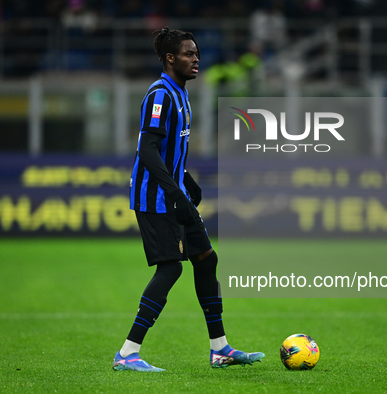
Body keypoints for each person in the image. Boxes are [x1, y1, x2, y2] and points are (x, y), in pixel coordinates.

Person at [112, 27, 265, 372]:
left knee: (206, 260)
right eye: (188, 54)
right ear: (170, 58)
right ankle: (127, 353)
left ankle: (220, 349)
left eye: (196, 53)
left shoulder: (181, 94)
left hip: (175, 192)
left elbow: (168, 151)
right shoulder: (160, 94)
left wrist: (187, 181)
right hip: (155, 199)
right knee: (170, 268)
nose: (196, 59)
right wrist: (173, 190)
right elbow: (147, 150)